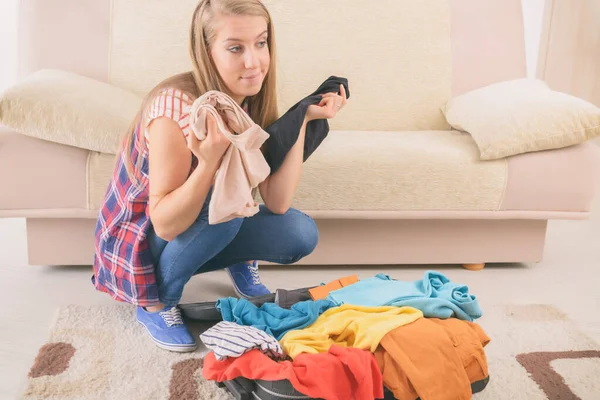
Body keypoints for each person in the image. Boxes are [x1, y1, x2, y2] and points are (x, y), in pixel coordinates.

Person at [91, 0, 348, 352]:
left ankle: (235, 259)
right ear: (206, 51)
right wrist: (208, 162)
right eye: (235, 48)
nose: (253, 61)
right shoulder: (175, 109)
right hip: (139, 239)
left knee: (298, 232)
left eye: (261, 43)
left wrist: (305, 119)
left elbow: (276, 199)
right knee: (226, 212)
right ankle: (156, 303)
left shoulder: (246, 98)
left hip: (202, 220)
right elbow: (164, 223)